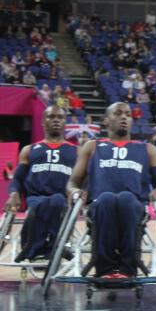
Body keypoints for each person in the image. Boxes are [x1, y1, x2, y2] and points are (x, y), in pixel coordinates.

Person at [67, 102, 156, 278]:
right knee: (107, 198)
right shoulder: (92, 147)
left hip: (134, 207)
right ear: (106, 120)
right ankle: (105, 270)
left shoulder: (147, 149)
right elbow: (72, 182)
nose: (124, 117)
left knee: (126, 198)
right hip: (98, 207)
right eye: (118, 113)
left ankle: (127, 270)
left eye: (128, 115)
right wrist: (74, 192)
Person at [4, 105, 78, 262]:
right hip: (36, 197)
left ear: (65, 122)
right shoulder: (29, 150)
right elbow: (17, 178)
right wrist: (14, 193)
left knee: (57, 200)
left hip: (63, 200)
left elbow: (82, 180)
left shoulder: (76, 151)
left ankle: (32, 248)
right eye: (51, 117)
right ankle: (54, 247)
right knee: (44, 203)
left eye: (60, 117)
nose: (56, 120)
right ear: (43, 122)